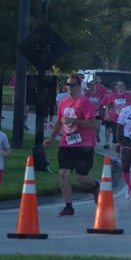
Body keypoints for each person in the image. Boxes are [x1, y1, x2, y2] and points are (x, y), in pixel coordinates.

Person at [44, 74, 100, 217]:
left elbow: (92, 123)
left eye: (72, 84)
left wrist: (74, 121)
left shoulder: (85, 102)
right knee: (64, 174)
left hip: (84, 145)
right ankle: (68, 206)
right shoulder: (62, 102)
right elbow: (58, 122)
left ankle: (95, 185)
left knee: (82, 178)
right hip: (66, 144)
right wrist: (51, 138)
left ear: (79, 87)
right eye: (67, 84)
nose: (69, 87)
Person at [101, 81, 131, 149]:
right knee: (116, 138)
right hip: (115, 120)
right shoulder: (112, 96)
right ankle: (116, 156)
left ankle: (123, 154)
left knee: (124, 137)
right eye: (118, 85)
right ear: (117, 87)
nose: (120, 86)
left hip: (126, 120)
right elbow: (107, 106)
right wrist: (108, 115)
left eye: (121, 85)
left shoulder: (128, 96)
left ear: (124, 87)